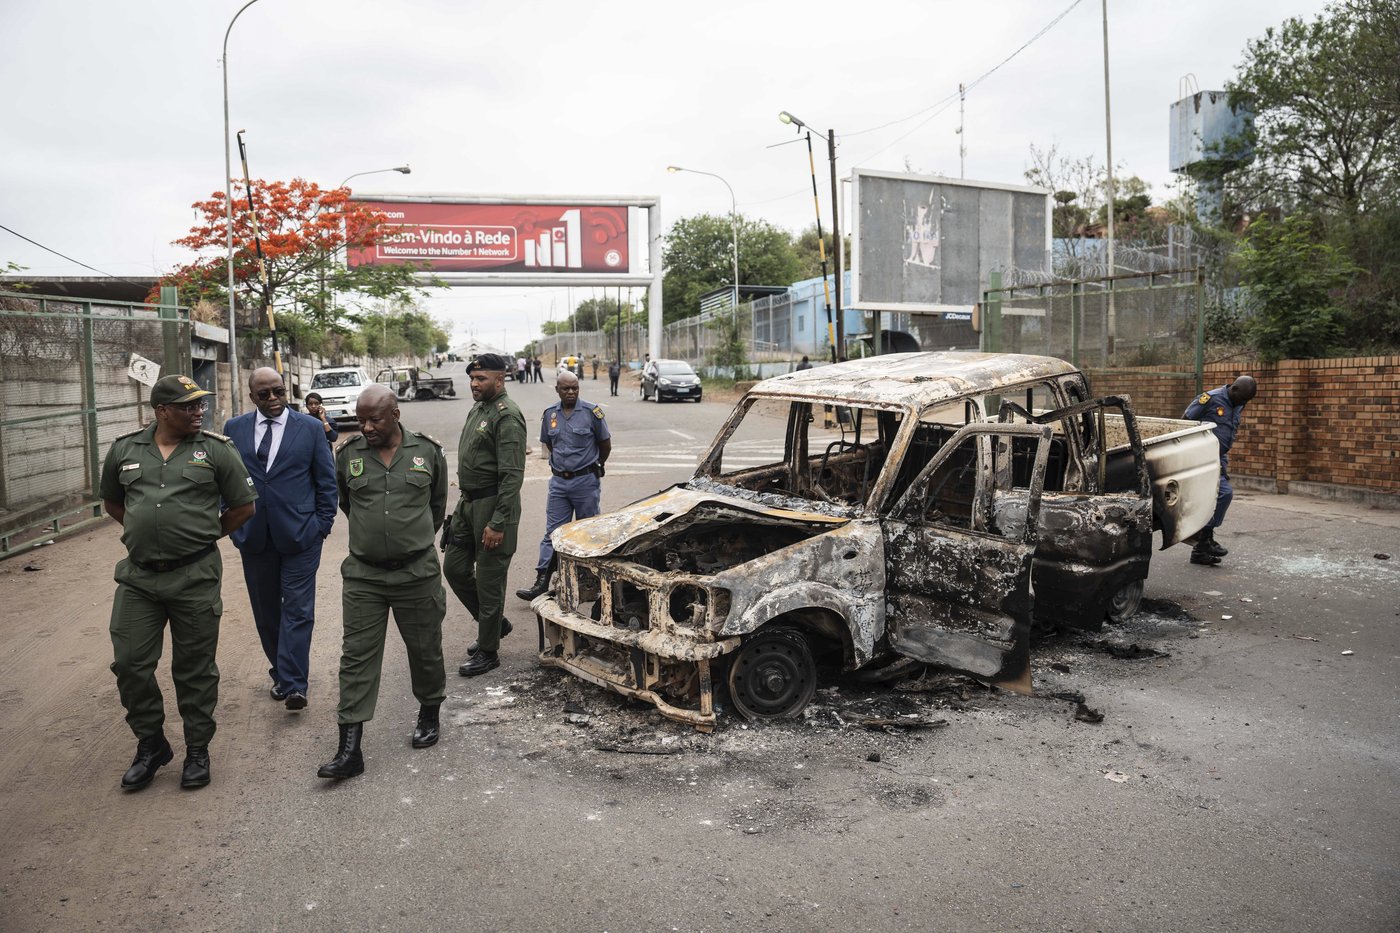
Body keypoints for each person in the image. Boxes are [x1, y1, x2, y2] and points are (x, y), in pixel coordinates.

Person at [100, 374, 257, 791]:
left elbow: (243, 506)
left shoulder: (216, 450)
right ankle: (151, 745)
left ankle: (197, 750)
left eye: (200, 405)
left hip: (195, 575)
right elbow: (114, 502)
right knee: (130, 663)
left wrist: (198, 537)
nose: (198, 411)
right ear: (162, 411)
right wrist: (147, 534)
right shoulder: (124, 450)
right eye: (188, 406)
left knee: (194, 669)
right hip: (139, 577)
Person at [317, 385, 449, 780]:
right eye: (361, 419)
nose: (366, 426)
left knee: (424, 649)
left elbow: (436, 506)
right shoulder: (349, 455)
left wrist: (410, 539)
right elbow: (347, 502)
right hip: (364, 574)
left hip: (416, 573)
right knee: (356, 657)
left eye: (374, 419)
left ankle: (429, 712)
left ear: (395, 414)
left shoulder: (427, 452)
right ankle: (349, 749)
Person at [226, 368, 337, 711]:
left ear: (286, 390)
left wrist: (322, 525)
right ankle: (281, 672)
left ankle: (294, 684)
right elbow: (224, 477)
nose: (273, 399)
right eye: (264, 395)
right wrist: (232, 524)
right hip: (254, 535)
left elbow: (326, 480)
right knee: (267, 611)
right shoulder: (235, 428)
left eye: (278, 391)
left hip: (302, 534)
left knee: (299, 610)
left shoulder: (310, 428)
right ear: (252, 397)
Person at [443, 354, 526, 677]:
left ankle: (488, 650)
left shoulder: (507, 416)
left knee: (490, 581)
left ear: (500, 380)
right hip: (468, 504)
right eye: (473, 379)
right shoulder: (479, 409)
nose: (475, 384)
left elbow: (511, 475)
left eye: (481, 379)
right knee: (454, 568)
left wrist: (498, 521)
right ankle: (494, 625)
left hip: (493, 506)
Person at [516, 370, 611, 601]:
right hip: (559, 482)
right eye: (566, 388)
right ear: (557, 389)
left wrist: (597, 465)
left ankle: (589, 581)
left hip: (585, 481)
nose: (571, 392)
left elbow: (605, 444)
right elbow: (548, 442)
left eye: (575, 388)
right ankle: (542, 581)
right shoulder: (550, 415)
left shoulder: (591, 412)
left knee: (587, 531)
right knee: (552, 533)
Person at [1184, 375, 1258, 566]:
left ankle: (1201, 549)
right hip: (1203, 456)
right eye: (1242, 400)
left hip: (1218, 458)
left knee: (1217, 496)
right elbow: (1185, 422)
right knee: (1224, 493)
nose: (1243, 404)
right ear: (1233, 389)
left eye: (1246, 401)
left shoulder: (1238, 402)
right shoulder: (1209, 399)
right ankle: (1204, 538)